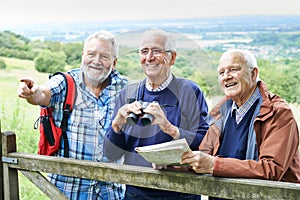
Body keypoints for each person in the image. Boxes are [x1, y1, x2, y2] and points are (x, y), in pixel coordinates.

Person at [17, 30, 128, 199]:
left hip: (111, 190)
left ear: (114, 62)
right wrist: (33, 92)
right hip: (69, 189)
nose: (96, 61)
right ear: (83, 55)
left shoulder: (124, 88)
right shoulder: (66, 82)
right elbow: (44, 94)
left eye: (105, 56)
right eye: (91, 54)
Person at [104, 28, 209, 200]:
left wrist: (169, 128)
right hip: (137, 192)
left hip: (181, 193)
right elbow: (111, 154)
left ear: (172, 57)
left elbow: (205, 144)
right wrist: (116, 124)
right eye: (144, 51)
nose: (149, 57)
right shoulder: (127, 94)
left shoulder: (189, 91)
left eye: (156, 51)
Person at [181, 49, 300, 186]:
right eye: (221, 72)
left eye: (233, 69)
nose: (226, 76)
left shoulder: (278, 113)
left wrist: (215, 164)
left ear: (253, 73)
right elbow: (204, 156)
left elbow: (271, 169)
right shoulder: (220, 112)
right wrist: (175, 164)